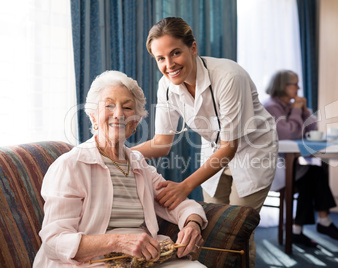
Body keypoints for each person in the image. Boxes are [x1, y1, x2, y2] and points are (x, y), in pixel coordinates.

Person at [132, 17, 278, 267]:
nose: (169, 64)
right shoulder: (165, 86)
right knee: (212, 221)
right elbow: (161, 143)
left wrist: (184, 186)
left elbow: (230, 147)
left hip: (253, 151)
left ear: (193, 48)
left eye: (175, 52)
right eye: (161, 58)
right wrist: (114, 152)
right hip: (215, 148)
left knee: (238, 226)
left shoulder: (229, 76)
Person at [33, 71, 208, 267]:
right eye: (108, 105)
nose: (118, 114)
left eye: (126, 107)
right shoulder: (70, 165)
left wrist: (192, 224)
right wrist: (118, 241)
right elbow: (54, 241)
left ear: (134, 123)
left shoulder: (140, 165)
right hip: (91, 262)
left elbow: (180, 204)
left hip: (141, 260)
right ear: (93, 117)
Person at [263, 70, 338, 247]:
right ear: (282, 85)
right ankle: (320, 223)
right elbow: (289, 134)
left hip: (288, 164)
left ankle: (298, 231)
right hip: (272, 168)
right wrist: (296, 110)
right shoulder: (271, 107)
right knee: (314, 174)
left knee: (313, 174)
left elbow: (311, 131)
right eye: (295, 84)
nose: (299, 87)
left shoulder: (288, 106)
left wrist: (305, 111)